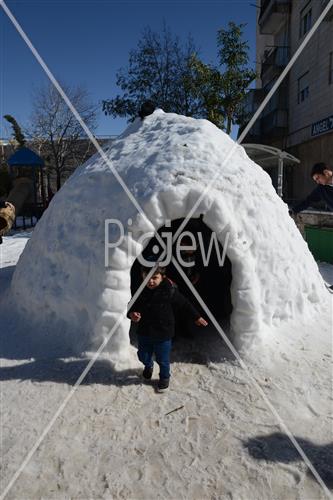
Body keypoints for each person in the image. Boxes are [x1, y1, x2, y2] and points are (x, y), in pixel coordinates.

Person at [128, 261, 208, 392]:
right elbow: (132, 305)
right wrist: (131, 314)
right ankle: (148, 365)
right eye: (147, 278)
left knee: (163, 359)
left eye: (154, 278)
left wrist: (196, 317)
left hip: (163, 332)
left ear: (162, 277)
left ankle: (164, 377)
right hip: (145, 331)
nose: (151, 281)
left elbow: (184, 304)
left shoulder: (169, 291)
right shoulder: (140, 291)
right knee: (142, 354)